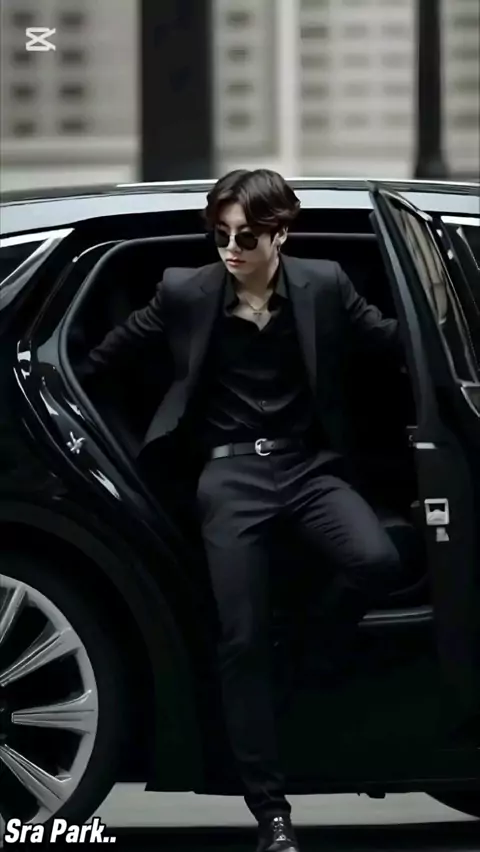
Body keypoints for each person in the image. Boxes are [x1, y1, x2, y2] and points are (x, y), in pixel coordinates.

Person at [83, 169, 404, 852]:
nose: (230, 248)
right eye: (221, 234)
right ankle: (271, 812)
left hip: (309, 467)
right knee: (241, 640)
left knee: (377, 560)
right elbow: (104, 359)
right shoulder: (184, 290)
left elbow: (393, 342)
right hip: (230, 475)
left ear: (280, 234)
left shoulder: (325, 285)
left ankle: (308, 656)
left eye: (246, 236)